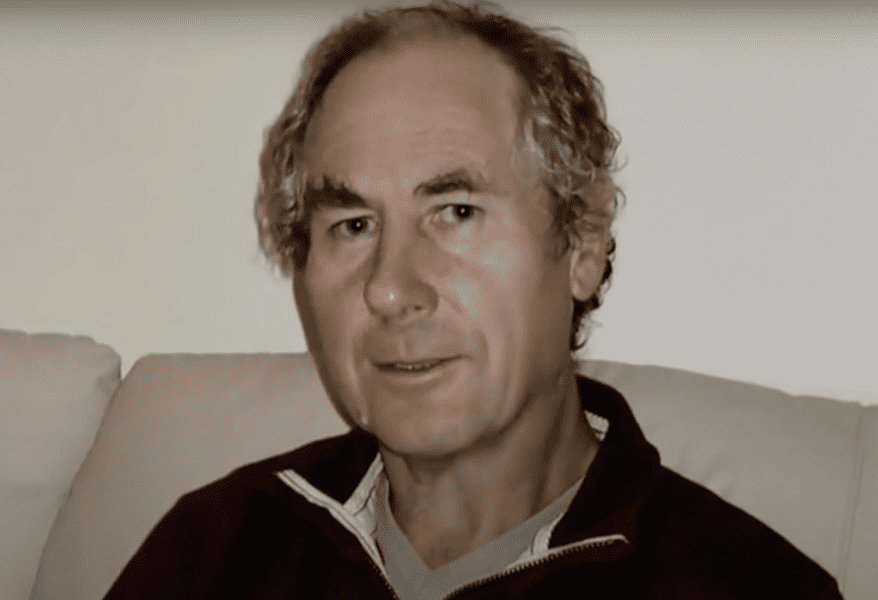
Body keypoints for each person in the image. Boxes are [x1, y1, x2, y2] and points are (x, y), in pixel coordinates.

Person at [104, 2, 843, 598]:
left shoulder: (751, 587)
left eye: (456, 212)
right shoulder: (216, 548)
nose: (389, 288)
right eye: (353, 225)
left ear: (582, 244)